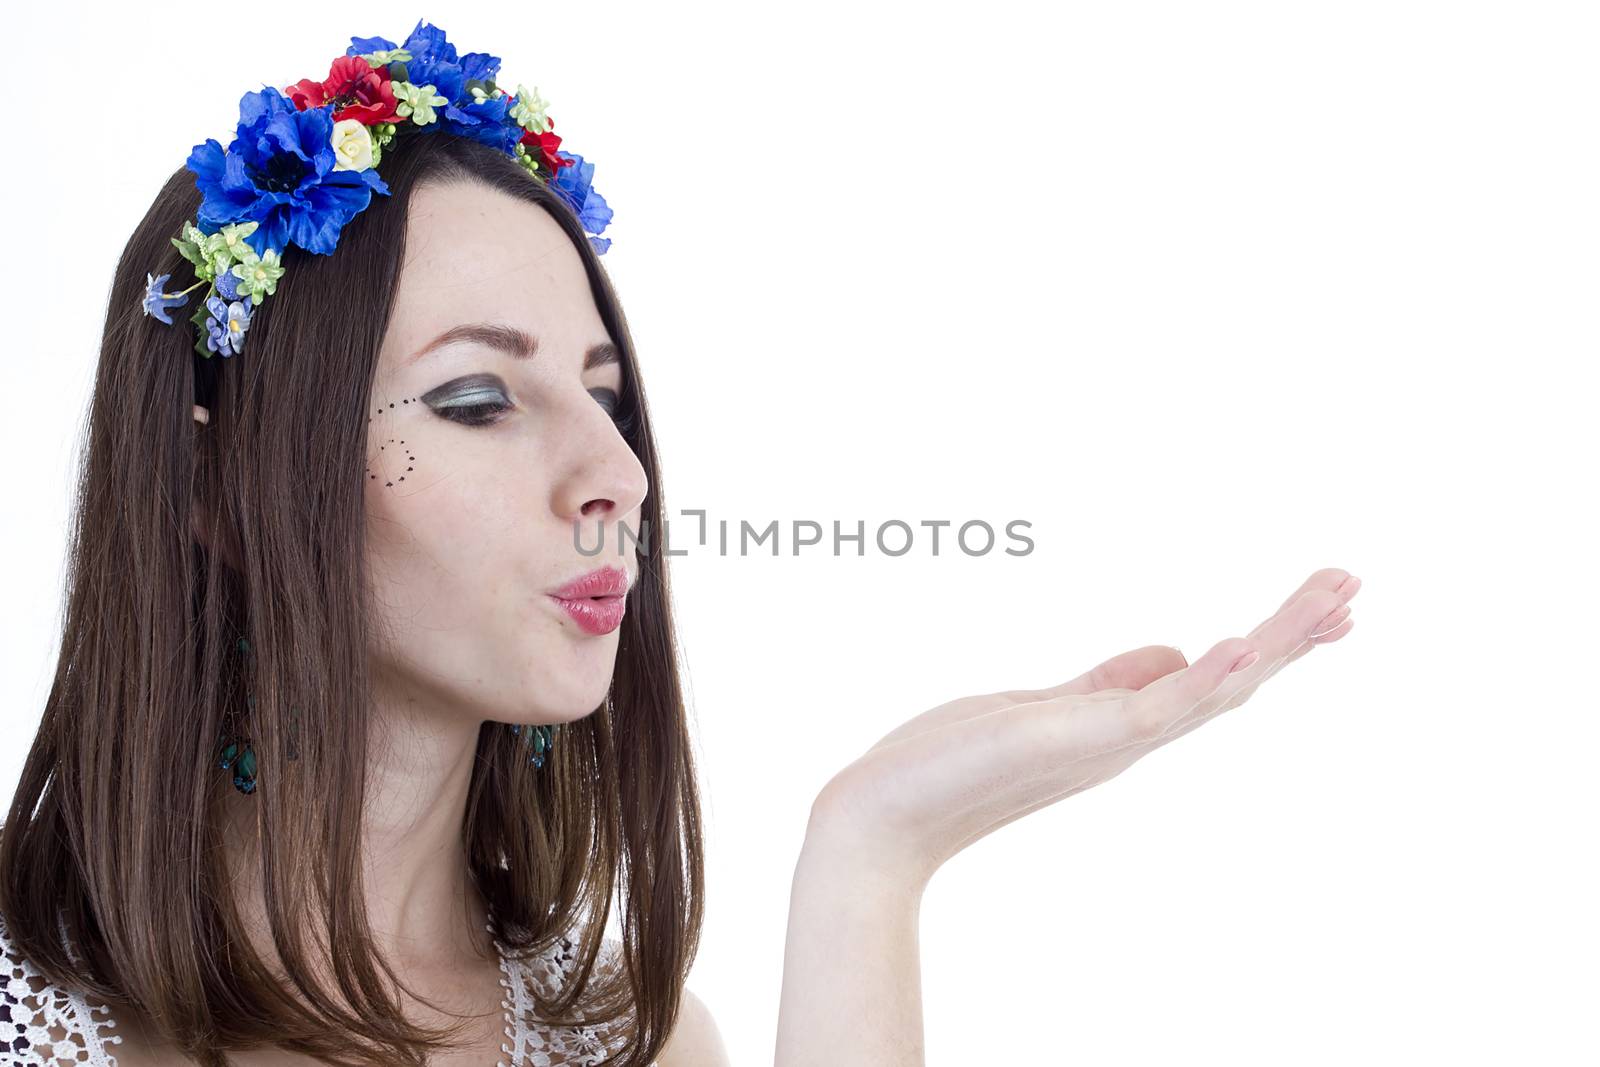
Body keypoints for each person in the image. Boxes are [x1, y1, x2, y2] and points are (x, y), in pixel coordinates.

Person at [0, 19, 1361, 1067]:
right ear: (217, 486)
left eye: (606, 396)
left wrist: (872, 857)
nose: (617, 474)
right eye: (481, 400)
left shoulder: (626, 1041)